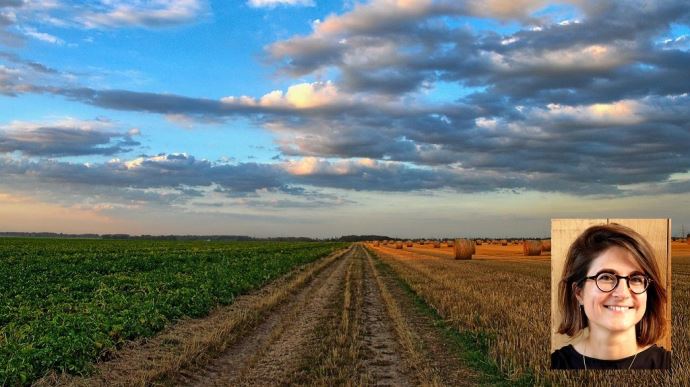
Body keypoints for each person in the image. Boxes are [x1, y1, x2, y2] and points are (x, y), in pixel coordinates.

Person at [551, 223, 671, 369]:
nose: (622, 293)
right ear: (579, 293)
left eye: (636, 279)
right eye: (606, 277)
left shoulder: (671, 366)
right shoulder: (553, 365)